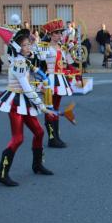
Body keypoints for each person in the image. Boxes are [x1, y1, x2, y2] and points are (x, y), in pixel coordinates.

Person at [0, 28, 54, 187]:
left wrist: (34, 42)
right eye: (25, 45)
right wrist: (42, 106)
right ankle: (2, 173)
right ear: (18, 48)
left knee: (39, 132)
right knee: (18, 138)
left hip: (24, 101)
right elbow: (26, 87)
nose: (29, 47)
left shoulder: (23, 59)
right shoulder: (19, 63)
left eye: (28, 44)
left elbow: (39, 57)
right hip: (16, 102)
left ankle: (37, 165)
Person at [37, 19, 73, 148]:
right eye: (57, 33)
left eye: (60, 33)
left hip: (60, 78)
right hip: (50, 80)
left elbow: (70, 62)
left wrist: (71, 49)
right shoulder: (45, 47)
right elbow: (40, 59)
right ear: (51, 34)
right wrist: (39, 45)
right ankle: (52, 138)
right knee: (49, 109)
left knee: (56, 108)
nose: (59, 35)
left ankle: (56, 137)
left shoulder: (62, 47)